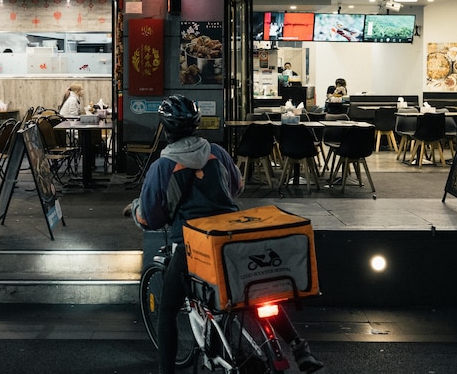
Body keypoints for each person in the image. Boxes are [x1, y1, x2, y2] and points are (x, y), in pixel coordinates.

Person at [124, 95, 323, 374]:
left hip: (194, 246)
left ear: (165, 128)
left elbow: (152, 217)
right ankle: (300, 349)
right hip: (233, 237)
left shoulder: (163, 167)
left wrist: (134, 210)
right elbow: (236, 187)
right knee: (255, 292)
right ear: (195, 125)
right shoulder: (217, 152)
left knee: (168, 310)